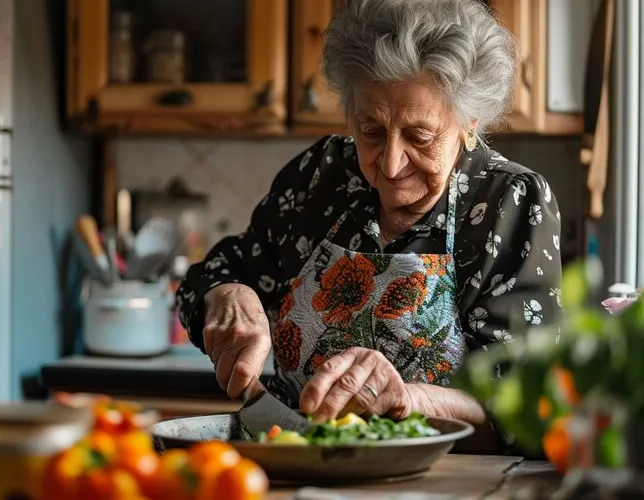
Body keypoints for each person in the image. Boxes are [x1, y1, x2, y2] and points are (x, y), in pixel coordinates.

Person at [176, 0, 562, 452]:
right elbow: (222, 270)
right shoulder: (324, 174)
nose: (392, 164)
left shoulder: (510, 202)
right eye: (371, 131)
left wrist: (407, 401)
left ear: (469, 123)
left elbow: (528, 405)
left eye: (419, 136)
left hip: (448, 480)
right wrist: (227, 295)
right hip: (296, 463)